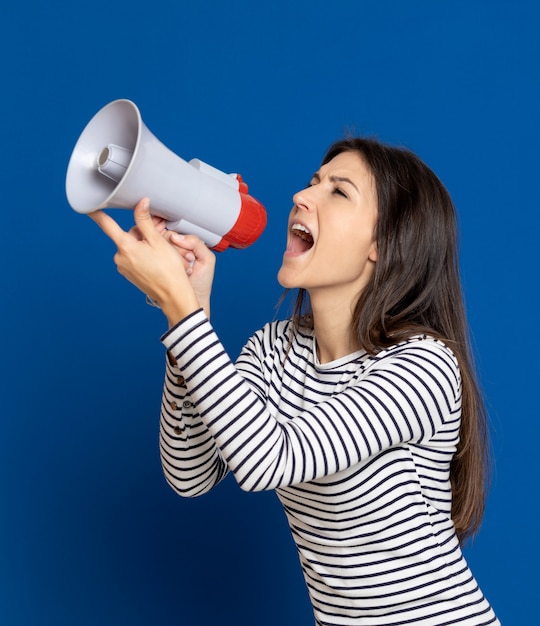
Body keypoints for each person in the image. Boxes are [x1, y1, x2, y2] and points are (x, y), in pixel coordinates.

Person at [90, 137, 500, 625]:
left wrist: (182, 314)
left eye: (338, 192)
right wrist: (192, 310)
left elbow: (272, 459)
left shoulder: (424, 367)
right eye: (312, 183)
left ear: (384, 245)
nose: (302, 198)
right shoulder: (273, 350)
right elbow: (190, 476)